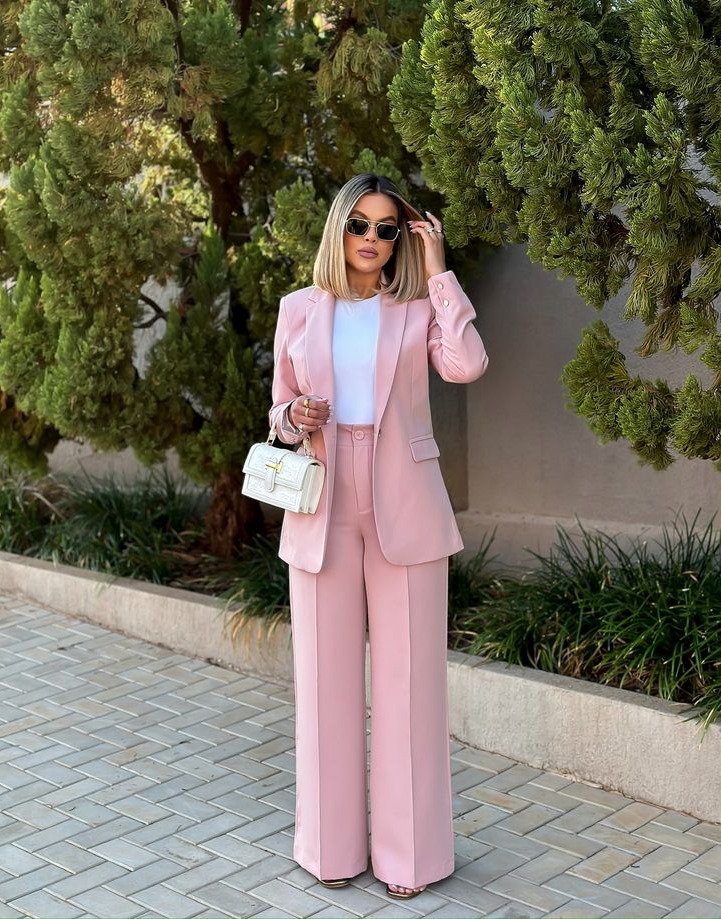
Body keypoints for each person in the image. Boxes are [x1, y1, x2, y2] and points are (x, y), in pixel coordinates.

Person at [267, 172, 489, 900]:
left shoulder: (417, 305)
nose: (371, 239)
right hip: (325, 494)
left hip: (405, 495)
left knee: (410, 684)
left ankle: (411, 859)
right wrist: (293, 414)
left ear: (401, 239)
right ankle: (330, 849)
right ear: (339, 229)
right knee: (326, 683)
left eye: (386, 228)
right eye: (359, 225)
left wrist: (440, 272)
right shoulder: (298, 308)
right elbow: (276, 410)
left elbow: (467, 364)